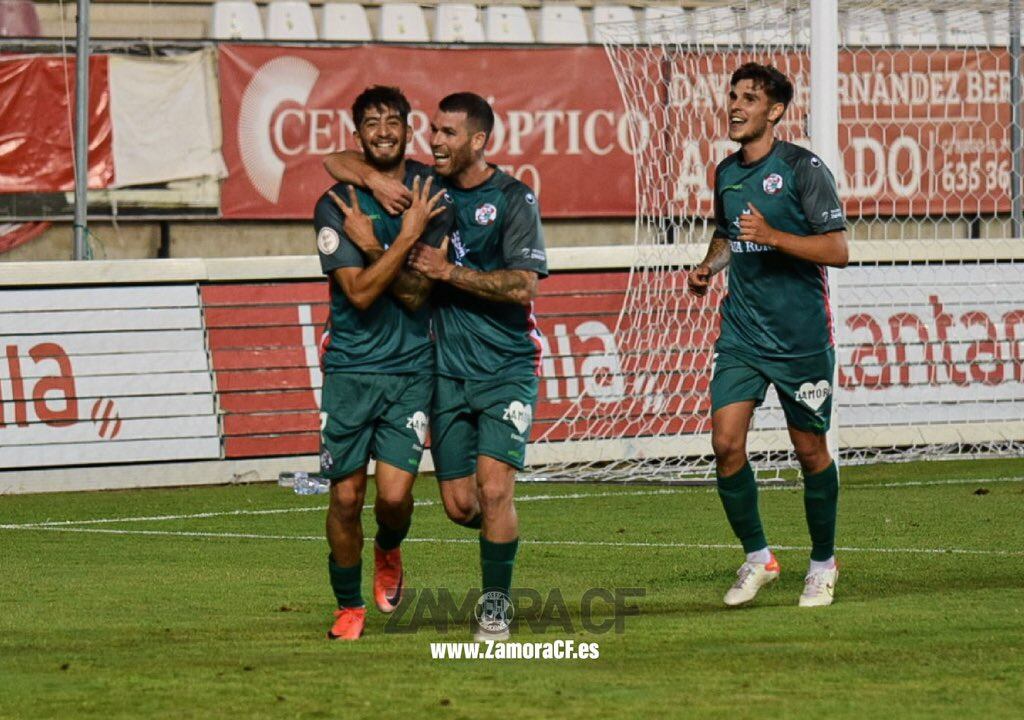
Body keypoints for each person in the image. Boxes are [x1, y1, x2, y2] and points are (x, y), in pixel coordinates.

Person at [324, 92, 547, 640]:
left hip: (503, 367)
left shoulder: (510, 198)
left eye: (446, 134)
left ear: (477, 141)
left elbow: (520, 284)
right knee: (459, 504)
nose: (434, 141)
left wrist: (442, 270)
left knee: (491, 493)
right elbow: (338, 161)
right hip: (445, 372)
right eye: (433, 132)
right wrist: (376, 186)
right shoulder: (426, 188)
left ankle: (494, 609)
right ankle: (499, 533)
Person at [687, 63, 848, 608]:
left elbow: (837, 250)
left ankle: (823, 563)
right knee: (725, 443)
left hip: (800, 337)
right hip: (742, 334)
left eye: (748, 98)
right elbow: (727, 234)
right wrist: (709, 266)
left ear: (774, 111)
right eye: (732, 96)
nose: (735, 106)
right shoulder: (725, 173)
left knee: (809, 452)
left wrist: (774, 236)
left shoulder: (803, 169)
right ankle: (759, 558)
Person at [314, 85, 451, 640]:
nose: (383, 131)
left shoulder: (430, 194)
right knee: (345, 497)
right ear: (358, 135)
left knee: (393, 498)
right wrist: (396, 242)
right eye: (371, 123)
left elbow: (419, 295)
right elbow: (361, 294)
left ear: (409, 129)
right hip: (349, 369)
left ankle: (389, 548)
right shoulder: (335, 203)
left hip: (411, 368)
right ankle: (349, 608)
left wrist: (381, 243)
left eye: (392, 120)